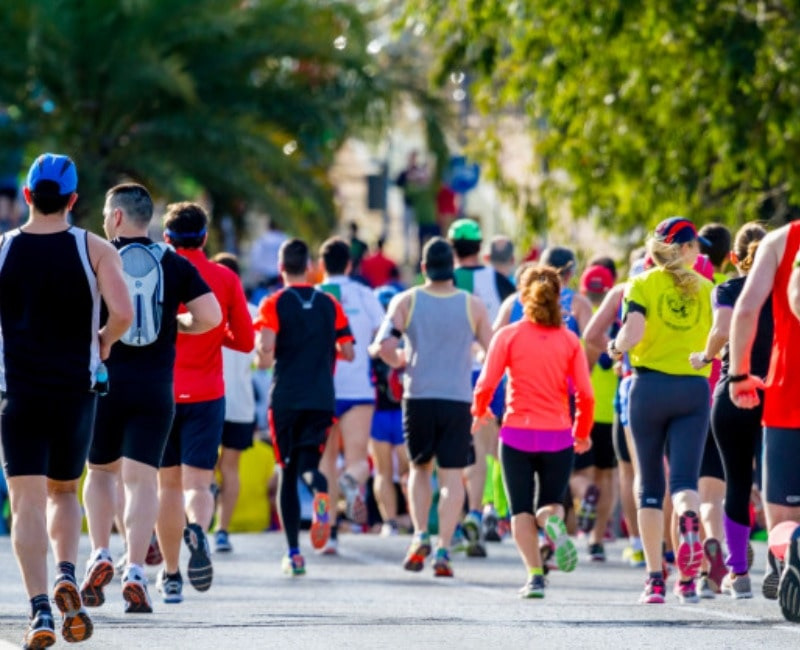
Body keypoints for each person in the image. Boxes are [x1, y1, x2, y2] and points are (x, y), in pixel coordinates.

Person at [1, 154, 134, 647]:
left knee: (25, 504)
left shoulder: (3, 250)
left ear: (29, 197)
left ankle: (38, 611)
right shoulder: (94, 248)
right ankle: (64, 572)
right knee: (63, 492)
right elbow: (122, 312)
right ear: (75, 200)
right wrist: (102, 342)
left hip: (17, 392)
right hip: (75, 391)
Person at [81, 185, 221, 615]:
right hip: (157, 387)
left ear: (118, 218)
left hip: (105, 382)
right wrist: (176, 323)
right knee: (143, 481)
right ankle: (137, 571)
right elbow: (211, 317)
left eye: (108, 214)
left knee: (101, 474)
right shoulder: (174, 263)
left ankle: (101, 552)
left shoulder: (95, 257)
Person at [371, 237, 492, 578]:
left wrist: (398, 360)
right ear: (451, 268)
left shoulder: (405, 300)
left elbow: (384, 345)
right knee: (453, 477)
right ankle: (444, 548)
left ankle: (420, 534)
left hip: (418, 395)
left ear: (423, 268)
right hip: (457, 398)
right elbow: (493, 350)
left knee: (419, 470)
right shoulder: (473, 305)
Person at [608, 217, 714, 605]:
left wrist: (617, 348)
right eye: (695, 246)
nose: (699, 252)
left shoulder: (640, 282)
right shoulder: (707, 288)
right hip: (692, 387)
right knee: (685, 482)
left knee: (650, 486)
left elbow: (631, 333)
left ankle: (655, 580)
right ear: (685, 250)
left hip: (648, 388)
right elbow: (719, 336)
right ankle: (687, 580)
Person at [473, 264, 594, 597]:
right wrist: (582, 431)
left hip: (516, 435)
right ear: (560, 298)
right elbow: (585, 393)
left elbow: (486, 382)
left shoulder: (508, 335)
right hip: (558, 435)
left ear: (521, 297)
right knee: (552, 503)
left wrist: (479, 411)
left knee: (520, 511)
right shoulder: (570, 341)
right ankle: (551, 521)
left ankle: (535, 576)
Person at [156, 202, 254, 601]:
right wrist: (215, 333)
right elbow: (246, 341)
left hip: (161, 392)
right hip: (209, 394)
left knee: (167, 487)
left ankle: (171, 574)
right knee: (199, 482)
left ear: (166, 238)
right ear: (206, 237)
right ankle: (198, 528)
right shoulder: (225, 277)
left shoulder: (157, 272)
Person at [254, 238, 354, 575]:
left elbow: (265, 353)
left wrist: (262, 352)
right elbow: (349, 351)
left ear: (281, 268)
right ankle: (321, 494)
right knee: (311, 466)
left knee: (287, 469)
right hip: (321, 397)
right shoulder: (329, 303)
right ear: (311, 268)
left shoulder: (273, 302)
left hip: (286, 398)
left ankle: (294, 554)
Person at [689, 222, 770, 599]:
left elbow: (721, 328)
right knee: (780, 483)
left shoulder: (727, 288)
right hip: (777, 391)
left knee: (735, 483)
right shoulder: (783, 290)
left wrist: (705, 357)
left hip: (733, 390)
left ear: (734, 258)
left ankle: (739, 575)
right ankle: (783, 561)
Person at [728, 217, 800, 622]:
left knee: (782, 522)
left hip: (788, 392)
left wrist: (738, 374)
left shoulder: (778, 239)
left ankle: (794, 547)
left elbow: (745, 310)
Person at [448, 218, 515, 555]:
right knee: (496, 448)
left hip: (455, 375)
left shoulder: (443, 279)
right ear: (480, 247)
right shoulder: (501, 281)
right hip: (495, 371)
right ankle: (492, 511)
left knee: (464, 453)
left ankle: (473, 512)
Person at [317, 237, 385, 552]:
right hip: (358, 388)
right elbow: (382, 333)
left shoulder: (314, 295)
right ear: (349, 264)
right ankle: (351, 480)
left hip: (321, 389)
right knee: (358, 459)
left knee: (325, 462)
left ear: (321, 266)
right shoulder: (364, 294)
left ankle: (329, 532)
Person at [210, 252, 258, 554]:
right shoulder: (252, 312)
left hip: (205, 396)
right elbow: (262, 359)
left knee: (197, 468)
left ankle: (199, 524)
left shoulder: (203, 308)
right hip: (241, 403)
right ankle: (222, 531)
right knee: (231, 468)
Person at [571, 264, 617, 562]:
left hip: (582, 407)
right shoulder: (621, 315)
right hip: (612, 411)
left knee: (578, 473)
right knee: (608, 477)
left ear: (585, 291)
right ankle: (597, 540)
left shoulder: (579, 319)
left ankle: (585, 493)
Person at [368, 285, 409, 536]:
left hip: (379, 414)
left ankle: (390, 523)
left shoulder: (374, 344)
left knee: (382, 471)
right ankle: (416, 523)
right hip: (404, 412)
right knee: (413, 471)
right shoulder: (405, 339)